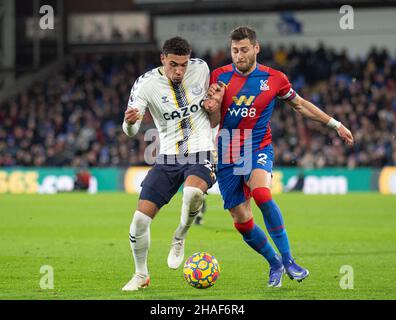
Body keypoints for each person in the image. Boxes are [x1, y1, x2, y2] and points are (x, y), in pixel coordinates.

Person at [203, 26, 354, 288]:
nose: (239, 55)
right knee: (242, 221)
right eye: (235, 50)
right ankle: (274, 263)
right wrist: (213, 107)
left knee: (262, 194)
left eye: (244, 50)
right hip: (227, 151)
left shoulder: (274, 78)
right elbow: (214, 121)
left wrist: (335, 124)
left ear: (256, 48)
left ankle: (289, 260)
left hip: (257, 146)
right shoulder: (219, 76)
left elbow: (300, 105)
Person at [121, 37, 216, 291]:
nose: (179, 71)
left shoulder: (202, 69)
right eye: (173, 64)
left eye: (183, 65)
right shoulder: (145, 84)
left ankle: (180, 236)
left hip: (200, 150)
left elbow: (214, 107)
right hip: (167, 158)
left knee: (194, 192)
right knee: (139, 221)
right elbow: (130, 130)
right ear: (162, 58)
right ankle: (141, 275)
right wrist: (130, 122)